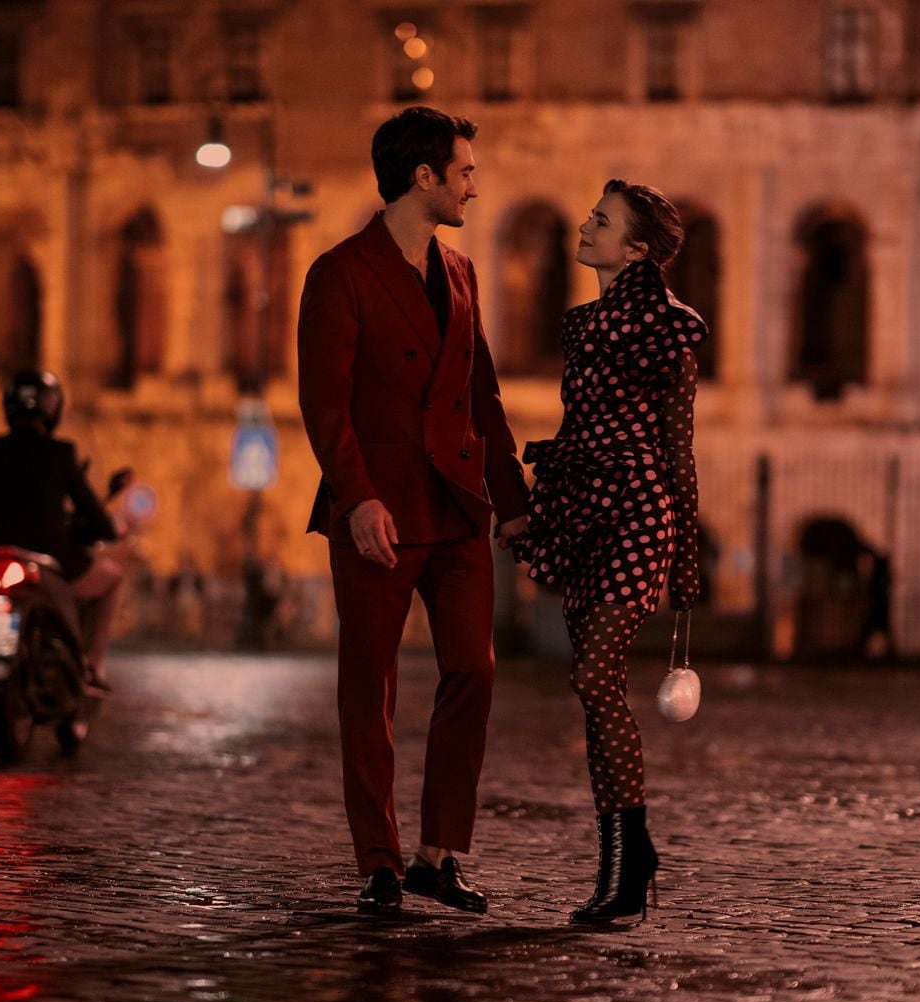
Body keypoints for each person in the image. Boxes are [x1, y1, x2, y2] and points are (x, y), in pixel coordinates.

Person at [298, 106, 530, 915]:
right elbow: (325, 406)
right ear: (423, 178)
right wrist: (356, 497)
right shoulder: (341, 272)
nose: (473, 182)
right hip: (380, 516)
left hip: (459, 506)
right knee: (371, 689)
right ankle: (380, 862)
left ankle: (438, 853)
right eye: (463, 170)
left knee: (473, 669)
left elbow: (481, 392)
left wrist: (512, 501)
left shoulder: (460, 269)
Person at [516, 180, 708, 926]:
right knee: (592, 695)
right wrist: (535, 511)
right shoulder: (580, 324)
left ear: (635, 248)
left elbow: (678, 448)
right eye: (591, 214)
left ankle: (633, 859)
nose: (586, 225)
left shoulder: (672, 327)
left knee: (596, 677)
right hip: (580, 510)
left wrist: (686, 555)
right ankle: (624, 864)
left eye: (602, 220)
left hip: (637, 510)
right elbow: (580, 425)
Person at [0, 370, 124, 692]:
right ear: (54, 409)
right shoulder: (60, 453)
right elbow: (95, 516)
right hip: (51, 561)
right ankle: (93, 663)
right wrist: (103, 529)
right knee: (113, 578)